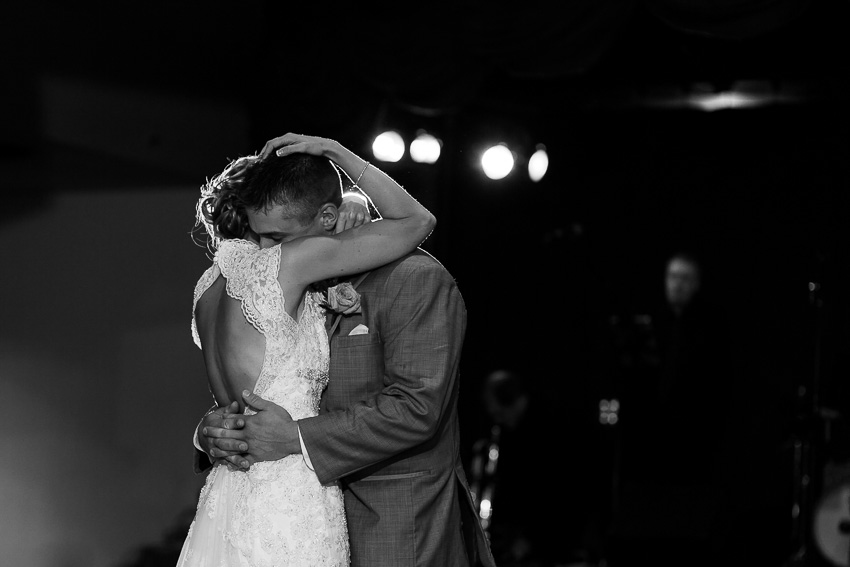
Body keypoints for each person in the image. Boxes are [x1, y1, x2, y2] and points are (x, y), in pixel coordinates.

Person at [194, 134, 496, 567]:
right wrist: (212, 431)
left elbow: (417, 407)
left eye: (278, 237)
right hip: (290, 507)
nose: (267, 252)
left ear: (328, 218)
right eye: (262, 237)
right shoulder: (282, 277)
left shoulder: (414, 278)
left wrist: (295, 437)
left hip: (394, 523)